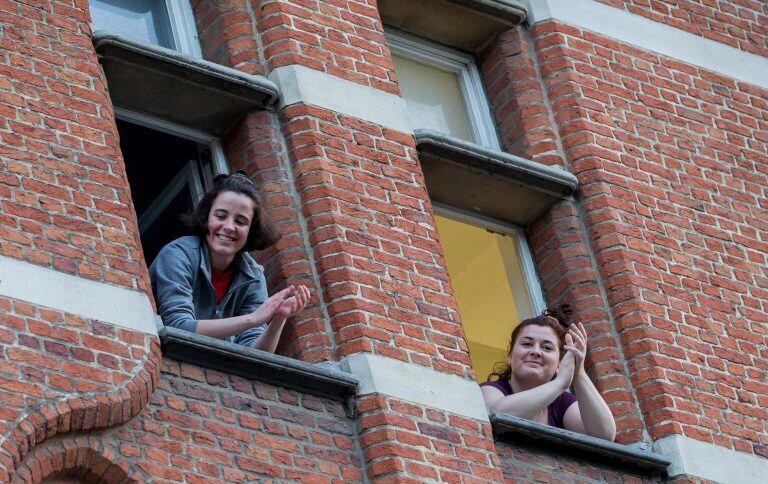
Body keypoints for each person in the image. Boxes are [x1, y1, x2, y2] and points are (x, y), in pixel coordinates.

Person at [149, 171, 310, 353]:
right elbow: (178, 327)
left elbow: (255, 354)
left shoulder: (253, 276)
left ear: (251, 230)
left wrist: (279, 318)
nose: (228, 227)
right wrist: (254, 318)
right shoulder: (178, 254)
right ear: (206, 217)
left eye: (240, 221)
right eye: (221, 216)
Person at [480, 307, 616, 440]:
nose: (536, 351)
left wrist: (578, 373)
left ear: (559, 363)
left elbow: (604, 434)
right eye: (527, 344)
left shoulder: (562, 403)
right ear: (510, 355)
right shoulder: (490, 390)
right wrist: (560, 383)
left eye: (547, 347)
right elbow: (497, 415)